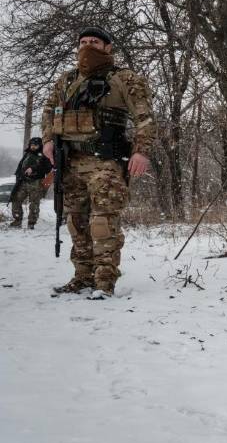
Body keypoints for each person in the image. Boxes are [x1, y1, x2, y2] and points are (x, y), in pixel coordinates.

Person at [43, 27, 155, 298]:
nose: (87, 46)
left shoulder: (123, 78)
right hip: (71, 162)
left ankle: (104, 282)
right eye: (83, 42)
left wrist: (141, 151)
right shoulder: (67, 80)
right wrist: (47, 140)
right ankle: (82, 277)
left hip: (106, 162)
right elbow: (48, 111)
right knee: (76, 222)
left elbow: (145, 118)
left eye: (94, 41)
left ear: (108, 47)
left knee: (103, 222)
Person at [11, 136, 52, 228]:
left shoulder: (44, 155)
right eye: (32, 144)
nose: (33, 146)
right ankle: (17, 220)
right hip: (23, 181)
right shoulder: (27, 154)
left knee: (34, 203)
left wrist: (33, 169)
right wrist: (18, 177)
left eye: (35, 145)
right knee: (16, 199)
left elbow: (47, 168)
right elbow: (20, 166)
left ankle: (31, 223)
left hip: (36, 182)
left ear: (39, 145)